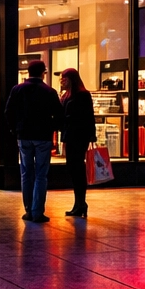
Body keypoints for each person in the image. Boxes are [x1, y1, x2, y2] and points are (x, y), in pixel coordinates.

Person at [5, 59, 61, 222]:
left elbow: (9, 111)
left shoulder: (18, 89)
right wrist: (52, 127)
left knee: (26, 173)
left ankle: (28, 209)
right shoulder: (49, 92)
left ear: (28, 72)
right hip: (43, 137)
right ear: (43, 73)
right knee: (41, 175)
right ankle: (37, 211)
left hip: (24, 136)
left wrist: (15, 129)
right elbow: (58, 115)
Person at [57, 67, 97, 219]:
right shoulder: (66, 95)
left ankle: (81, 203)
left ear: (71, 79)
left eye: (64, 78)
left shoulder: (82, 95)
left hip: (79, 136)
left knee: (77, 169)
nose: (62, 81)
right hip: (70, 136)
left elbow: (88, 117)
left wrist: (92, 136)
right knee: (74, 169)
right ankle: (79, 203)